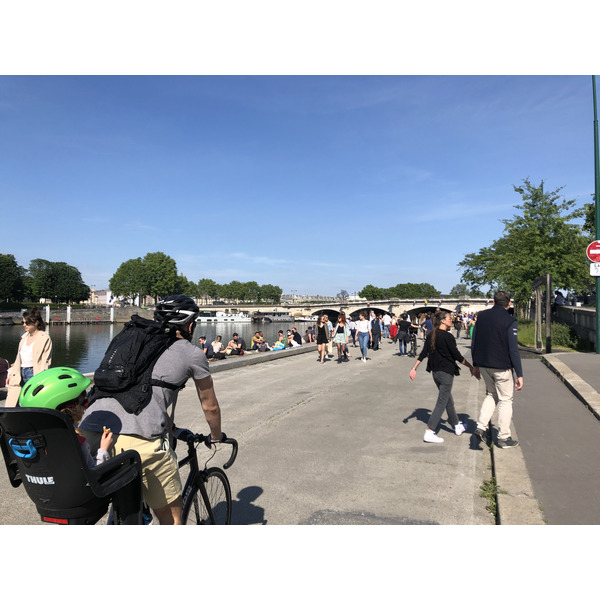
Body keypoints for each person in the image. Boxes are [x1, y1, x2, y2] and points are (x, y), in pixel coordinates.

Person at [80, 295, 224, 525]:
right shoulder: (192, 353)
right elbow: (211, 406)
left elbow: (140, 392)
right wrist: (216, 436)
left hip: (90, 430)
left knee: (122, 506)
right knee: (173, 518)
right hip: (137, 440)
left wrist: (172, 428)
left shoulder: (130, 340)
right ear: (190, 325)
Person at [18, 367, 114, 467]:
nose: (86, 408)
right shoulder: (75, 443)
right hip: (78, 482)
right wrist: (104, 449)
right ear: (66, 411)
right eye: (84, 403)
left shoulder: (26, 438)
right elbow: (92, 471)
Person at [409, 312, 479, 443]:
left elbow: (424, 353)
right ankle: (429, 431)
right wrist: (470, 366)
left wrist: (414, 368)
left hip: (436, 373)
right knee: (442, 402)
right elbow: (457, 356)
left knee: (447, 399)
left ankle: (457, 425)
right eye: (449, 319)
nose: (451, 320)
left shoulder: (431, 335)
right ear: (442, 321)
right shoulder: (447, 337)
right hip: (446, 373)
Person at [472, 291, 524, 449]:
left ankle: (481, 426)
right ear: (508, 304)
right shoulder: (510, 321)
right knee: (506, 400)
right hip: (501, 366)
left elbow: (475, 341)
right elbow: (513, 349)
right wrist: (519, 374)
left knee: (491, 394)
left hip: (483, 364)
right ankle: (503, 436)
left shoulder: (481, 317)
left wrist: (475, 364)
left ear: (493, 301)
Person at [6, 307, 53, 407]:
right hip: (20, 372)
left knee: (31, 401)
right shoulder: (24, 337)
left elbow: (46, 361)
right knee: (15, 402)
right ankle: (14, 420)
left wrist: (41, 378)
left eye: (27, 323)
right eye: (23, 322)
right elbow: (18, 358)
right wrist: (12, 373)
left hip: (34, 373)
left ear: (36, 323)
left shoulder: (44, 338)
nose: (24, 325)